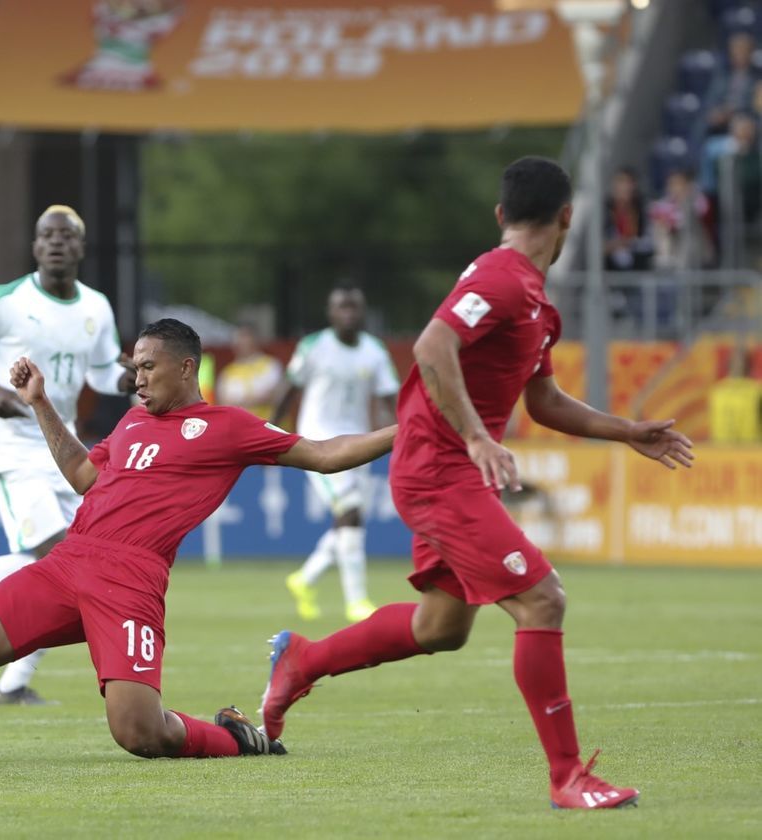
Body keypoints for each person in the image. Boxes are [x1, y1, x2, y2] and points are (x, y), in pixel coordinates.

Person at [0, 318, 397, 771]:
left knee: (139, 733)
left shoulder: (228, 426)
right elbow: (85, 477)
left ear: (186, 366)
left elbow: (324, 454)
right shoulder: (131, 421)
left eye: (147, 366)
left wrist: (409, 428)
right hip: (69, 562)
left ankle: (237, 738)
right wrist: (41, 405)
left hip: (131, 580)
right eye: (132, 366)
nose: (136, 376)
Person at [258, 157, 695, 810]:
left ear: (501, 215)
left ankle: (301, 660)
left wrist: (625, 430)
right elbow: (433, 347)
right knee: (543, 600)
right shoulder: (501, 277)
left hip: (452, 470)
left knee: (442, 627)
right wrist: (477, 435)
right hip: (440, 470)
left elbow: (544, 402)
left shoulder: (535, 304)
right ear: (568, 219)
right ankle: (568, 777)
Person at [0, 205, 134, 705]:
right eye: (47, 235)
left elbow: (102, 371)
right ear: (35, 246)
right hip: (15, 449)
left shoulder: (96, 307)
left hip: (64, 448)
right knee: (61, 557)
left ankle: (9, 676)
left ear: (81, 248)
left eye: (67, 236)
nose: (56, 243)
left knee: (79, 564)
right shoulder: (5, 301)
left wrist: (128, 378)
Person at [272, 287, 398, 623]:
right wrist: (270, 431)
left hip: (357, 444)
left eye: (354, 307)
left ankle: (305, 578)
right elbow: (290, 387)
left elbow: (390, 398)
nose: (349, 313)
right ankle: (356, 602)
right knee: (350, 511)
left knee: (348, 522)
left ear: (363, 311)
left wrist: (405, 432)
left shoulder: (374, 352)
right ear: (330, 313)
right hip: (317, 444)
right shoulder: (314, 347)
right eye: (342, 307)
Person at [215, 323, 282, 420]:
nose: (242, 342)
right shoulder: (228, 372)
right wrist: (257, 399)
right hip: (240, 429)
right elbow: (223, 403)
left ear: (255, 340)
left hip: (269, 427)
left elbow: (275, 396)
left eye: (245, 337)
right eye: (239, 338)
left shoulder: (271, 365)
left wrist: (239, 402)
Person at [702, 31, 759, 137]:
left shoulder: (758, 78)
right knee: (702, 123)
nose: (739, 55)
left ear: (751, 53)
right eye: (736, 51)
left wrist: (735, 113)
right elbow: (711, 100)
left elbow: (756, 108)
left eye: (743, 51)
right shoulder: (722, 76)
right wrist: (717, 113)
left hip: (746, 122)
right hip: (721, 123)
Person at [603, 167, 652, 272]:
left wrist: (630, 242)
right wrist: (618, 243)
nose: (626, 187)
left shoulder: (641, 208)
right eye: (621, 182)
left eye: (629, 183)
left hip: (637, 262)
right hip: (611, 267)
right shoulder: (604, 210)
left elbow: (646, 238)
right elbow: (598, 246)